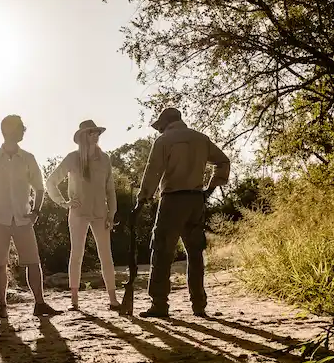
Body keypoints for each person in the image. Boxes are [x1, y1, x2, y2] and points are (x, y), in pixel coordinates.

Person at [133, 107, 231, 319]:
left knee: (161, 252)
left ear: (165, 123)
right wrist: (210, 189)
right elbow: (223, 161)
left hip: (173, 201)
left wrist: (142, 199)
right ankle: (199, 305)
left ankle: (159, 304)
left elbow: (153, 171)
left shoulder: (164, 140)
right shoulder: (201, 138)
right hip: (196, 200)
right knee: (195, 255)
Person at [0, 114, 62, 318]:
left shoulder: (28, 158)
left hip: (23, 217)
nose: (23, 130)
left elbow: (39, 188)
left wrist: (35, 212)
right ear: (8, 130)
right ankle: (1, 307)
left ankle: (39, 303)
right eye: (20, 127)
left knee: (33, 262)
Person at [45, 119, 120, 311]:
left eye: (96, 132)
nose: (95, 135)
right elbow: (51, 181)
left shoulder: (105, 159)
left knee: (106, 254)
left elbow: (110, 189)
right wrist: (64, 202)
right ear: (82, 137)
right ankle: (74, 301)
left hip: (100, 213)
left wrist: (112, 213)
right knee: (76, 254)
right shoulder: (72, 158)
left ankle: (113, 299)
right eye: (91, 132)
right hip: (78, 213)